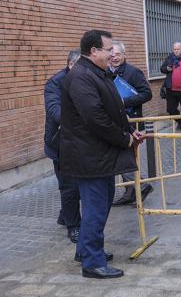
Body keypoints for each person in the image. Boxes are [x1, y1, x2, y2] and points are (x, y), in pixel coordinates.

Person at [60, 30, 144, 279]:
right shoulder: (81, 77)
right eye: (108, 50)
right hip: (89, 157)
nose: (112, 54)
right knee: (97, 207)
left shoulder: (97, 73)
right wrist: (124, 138)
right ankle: (92, 263)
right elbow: (95, 118)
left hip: (99, 155)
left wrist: (130, 130)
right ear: (93, 51)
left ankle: (85, 250)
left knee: (103, 201)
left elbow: (114, 110)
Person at [107, 41, 154, 206]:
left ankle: (139, 188)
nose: (114, 58)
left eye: (117, 54)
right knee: (123, 156)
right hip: (114, 122)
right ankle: (132, 191)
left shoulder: (133, 72)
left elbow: (147, 94)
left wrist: (123, 101)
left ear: (124, 55)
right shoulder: (104, 72)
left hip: (131, 121)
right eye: (111, 55)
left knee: (127, 156)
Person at [44, 49, 82, 244]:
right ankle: (73, 227)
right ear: (70, 65)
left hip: (82, 144)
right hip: (61, 144)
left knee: (79, 186)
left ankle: (64, 214)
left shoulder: (85, 81)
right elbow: (55, 111)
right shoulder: (55, 83)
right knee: (69, 188)